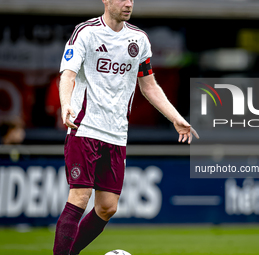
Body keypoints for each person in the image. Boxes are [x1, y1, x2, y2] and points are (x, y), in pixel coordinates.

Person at [53, 0, 199, 254]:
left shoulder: (139, 39)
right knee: (80, 195)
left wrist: (175, 117)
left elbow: (149, 85)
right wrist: (66, 104)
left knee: (107, 207)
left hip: (117, 134)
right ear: (106, 0)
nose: (128, 3)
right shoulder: (86, 32)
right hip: (84, 127)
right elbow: (68, 74)